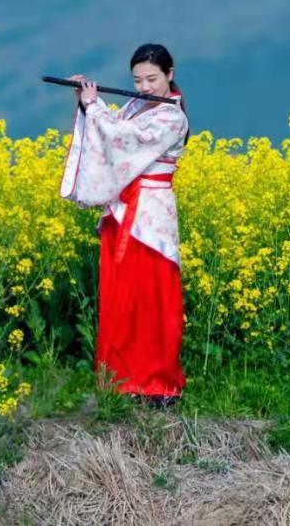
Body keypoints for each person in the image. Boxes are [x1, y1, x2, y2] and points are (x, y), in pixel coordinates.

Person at [60, 43, 190, 408]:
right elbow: (112, 129)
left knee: (151, 299)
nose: (144, 86)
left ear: (170, 73)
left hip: (151, 218)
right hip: (123, 211)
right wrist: (88, 100)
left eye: (152, 78)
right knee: (123, 298)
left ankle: (157, 384)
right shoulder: (137, 106)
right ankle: (123, 381)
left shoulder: (172, 118)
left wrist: (93, 106)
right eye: (137, 79)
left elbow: (121, 140)